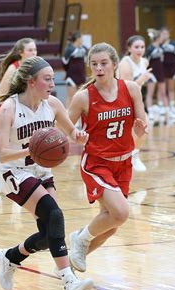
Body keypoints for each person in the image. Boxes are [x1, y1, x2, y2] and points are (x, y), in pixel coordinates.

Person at [0, 56, 93, 290]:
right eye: (47, 79)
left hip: (40, 170)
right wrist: (31, 151)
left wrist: (78, 135)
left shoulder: (54, 104)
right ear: (31, 82)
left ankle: (11, 257)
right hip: (13, 171)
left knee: (50, 233)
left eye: (52, 79)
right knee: (55, 215)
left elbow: (71, 131)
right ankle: (69, 282)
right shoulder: (8, 108)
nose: (52, 83)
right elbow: (3, 152)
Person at [67, 43, 148, 273]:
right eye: (94, 64)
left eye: (104, 63)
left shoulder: (131, 89)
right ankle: (80, 239)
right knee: (121, 213)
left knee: (111, 226)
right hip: (96, 163)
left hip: (123, 162)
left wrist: (140, 133)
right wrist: (76, 135)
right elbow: (61, 130)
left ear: (114, 64)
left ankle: (69, 267)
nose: (99, 68)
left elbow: (139, 134)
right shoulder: (83, 98)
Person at [0, 38, 38, 194]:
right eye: (30, 50)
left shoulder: (36, 68)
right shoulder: (13, 69)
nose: (34, 53)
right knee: (6, 146)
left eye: (35, 50)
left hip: (26, 111)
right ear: (21, 53)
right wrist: (12, 106)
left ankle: (23, 175)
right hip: (7, 111)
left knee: (22, 144)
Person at [118, 35, 152, 172]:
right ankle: (128, 157)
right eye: (136, 47)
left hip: (135, 99)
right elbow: (127, 88)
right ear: (129, 48)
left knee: (143, 128)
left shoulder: (144, 61)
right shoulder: (125, 64)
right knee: (128, 132)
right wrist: (142, 78)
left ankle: (134, 156)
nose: (140, 50)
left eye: (142, 47)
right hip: (122, 98)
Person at [145, 28, 175, 124]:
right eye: (161, 37)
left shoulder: (161, 48)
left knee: (163, 92)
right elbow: (145, 61)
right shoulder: (150, 49)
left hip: (160, 72)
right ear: (157, 38)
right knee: (150, 93)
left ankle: (168, 110)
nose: (163, 39)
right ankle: (150, 111)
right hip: (151, 73)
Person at [62, 31, 88, 109]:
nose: (82, 40)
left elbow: (85, 61)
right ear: (78, 39)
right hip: (72, 76)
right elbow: (64, 63)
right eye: (81, 38)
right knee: (71, 96)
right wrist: (66, 73)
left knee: (83, 96)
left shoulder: (84, 49)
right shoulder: (69, 49)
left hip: (81, 75)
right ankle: (67, 114)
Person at [160, 27, 175, 116]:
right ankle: (163, 107)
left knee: (171, 88)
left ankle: (172, 106)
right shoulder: (158, 44)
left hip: (172, 69)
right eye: (163, 33)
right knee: (161, 89)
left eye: (166, 33)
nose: (164, 35)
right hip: (161, 69)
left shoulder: (174, 44)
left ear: (169, 34)